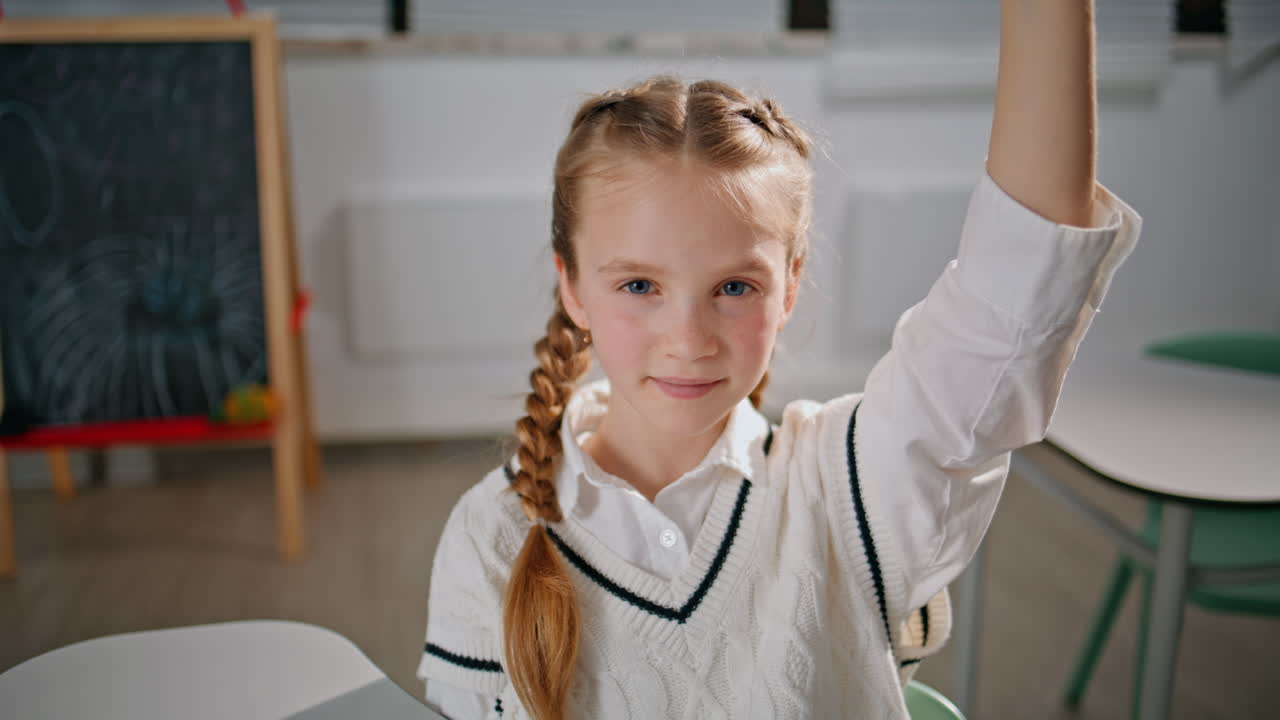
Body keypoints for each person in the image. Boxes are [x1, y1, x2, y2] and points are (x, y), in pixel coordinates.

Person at [417, 1, 1142, 717]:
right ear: (571, 286)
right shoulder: (492, 535)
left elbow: (1015, 290)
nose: (690, 336)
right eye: (639, 285)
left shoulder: (846, 487)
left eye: (734, 286)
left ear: (790, 285)